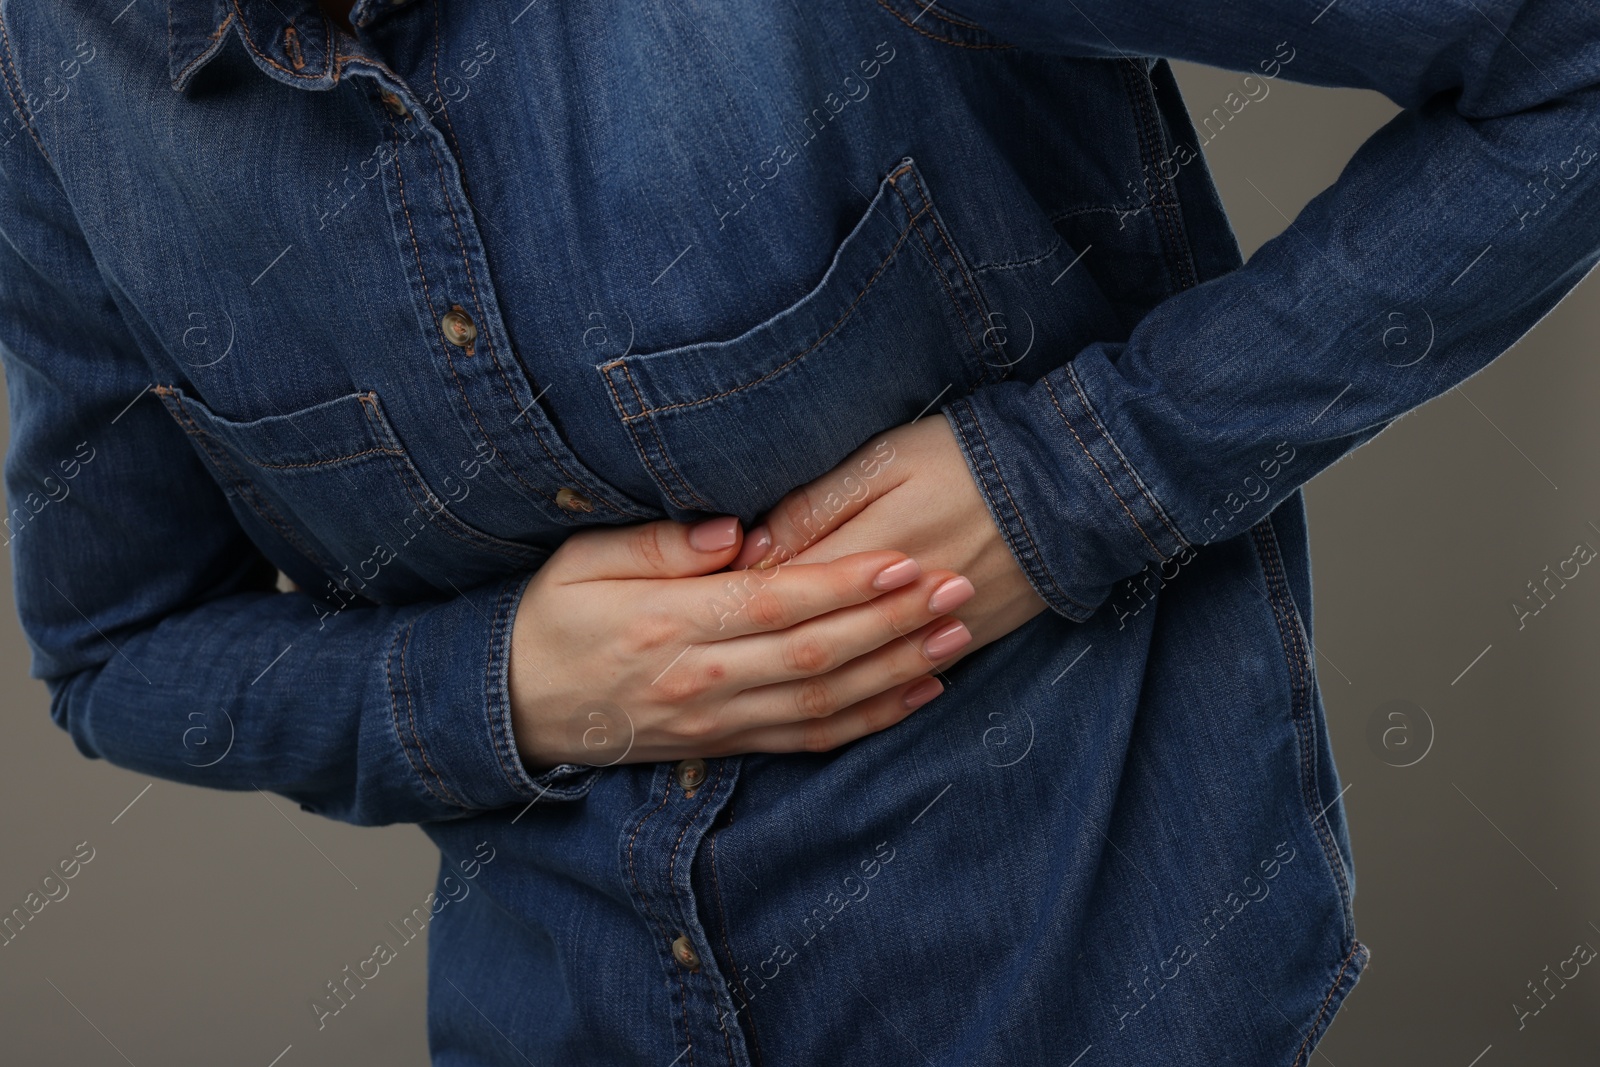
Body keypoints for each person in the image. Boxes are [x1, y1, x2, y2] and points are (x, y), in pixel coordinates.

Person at [1, 0, 1595, 1063]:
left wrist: (1075, 482)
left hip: (1086, 991)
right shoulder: (45, 71)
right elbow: (118, 647)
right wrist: (505, 689)